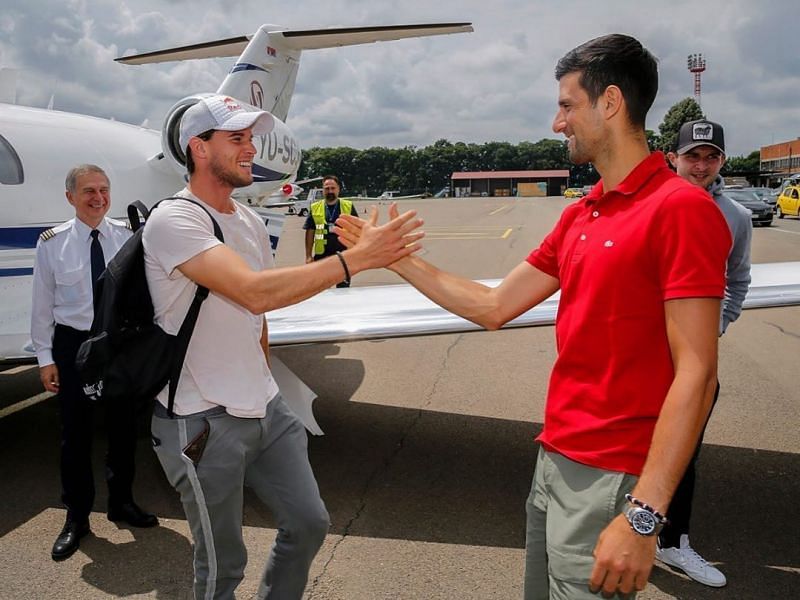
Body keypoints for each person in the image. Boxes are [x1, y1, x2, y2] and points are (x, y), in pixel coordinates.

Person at [335, 34, 732, 599]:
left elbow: (697, 374)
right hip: (554, 459)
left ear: (611, 103)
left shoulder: (681, 211)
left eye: (568, 105)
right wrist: (396, 259)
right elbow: (493, 306)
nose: (557, 122)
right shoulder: (583, 214)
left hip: (613, 476)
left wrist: (645, 515)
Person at [142, 94, 422, 600]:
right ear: (198, 149)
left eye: (251, 137)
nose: (251, 148)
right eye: (237, 139)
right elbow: (252, 291)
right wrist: (356, 260)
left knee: (310, 522)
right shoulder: (174, 220)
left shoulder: (247, 222)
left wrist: (267, 383)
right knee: (222, 566)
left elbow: (258, 315)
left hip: (265, 408)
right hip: (202, 418)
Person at [31, 164, 158, 562]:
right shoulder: (51, 244)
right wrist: (45, 358)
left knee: (123, 430)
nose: (98, 197)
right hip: (73, 345)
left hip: (115, 343)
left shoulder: (126, 238)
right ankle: (77, 518)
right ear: (70, 196)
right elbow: (41, 307)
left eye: (103, 189)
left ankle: (121, 502)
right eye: (88, 191)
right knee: (75, 435)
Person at [657, 119, 752, 587]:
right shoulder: (649, 204)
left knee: (683, 453)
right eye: (692, 156)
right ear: (672, 157)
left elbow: (738, 280)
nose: (700, 165)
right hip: (642, 355)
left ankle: (673, 543)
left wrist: (715, 326)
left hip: (692, 361)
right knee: (624, 449)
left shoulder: (736, 216)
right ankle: (616, 533)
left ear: (721, 161)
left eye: (710, 157)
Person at [303, 175, 358, 287]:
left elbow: (356, 229)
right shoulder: (315, 207)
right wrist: (308, 255)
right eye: (327, 188)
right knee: (321, 289)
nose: (330, 191)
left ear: (338, 189)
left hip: (343, 254)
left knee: (343, 290)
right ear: (323, 190)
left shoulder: (348, 206)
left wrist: (356, 251)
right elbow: (310, 231)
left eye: (333, 188)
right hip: (321, 255)